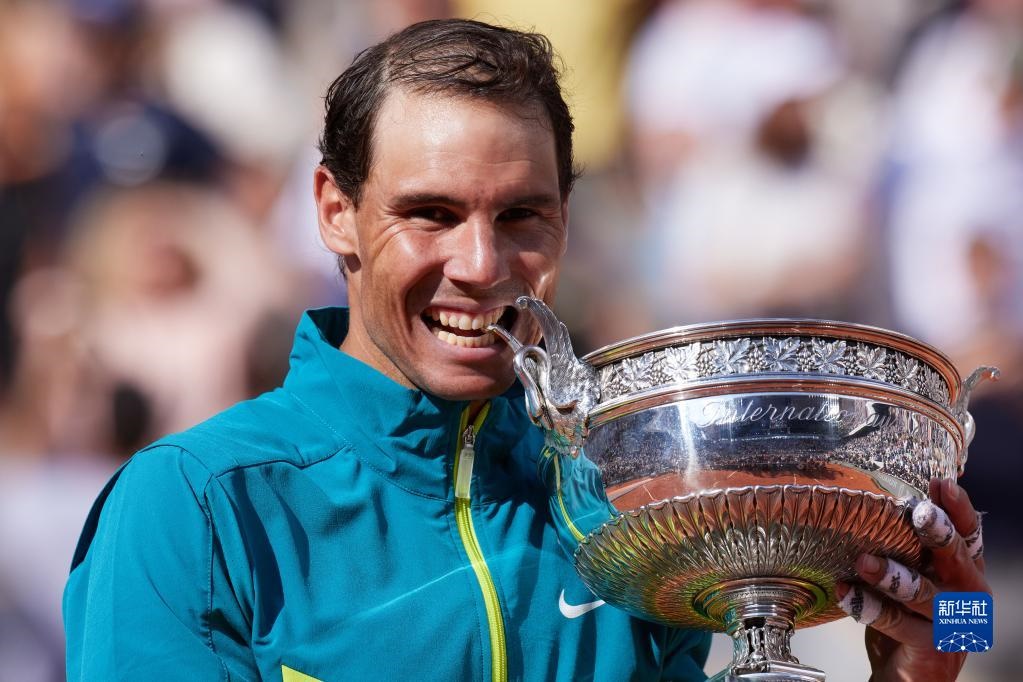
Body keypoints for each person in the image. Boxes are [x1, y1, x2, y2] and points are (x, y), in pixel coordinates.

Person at [63, 19, 989, 681]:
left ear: (565, 221)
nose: (481, 266)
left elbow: (948, 635)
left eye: (520, 217)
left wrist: (944, 648)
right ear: (335, 212)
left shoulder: (628, 493)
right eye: (430, 214)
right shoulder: (192, 505)